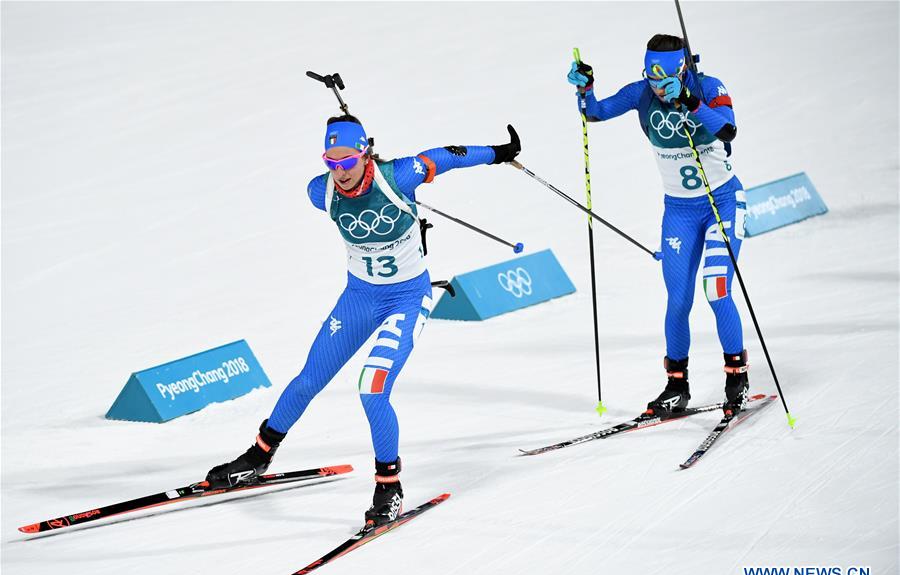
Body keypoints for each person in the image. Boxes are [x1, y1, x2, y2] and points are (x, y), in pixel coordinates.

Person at [205, 114, 521, 527]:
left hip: (405, 300)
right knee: (308, 380)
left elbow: (447, 156)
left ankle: (389, 486)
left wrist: (497, 154)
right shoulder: (320, 192)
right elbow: (339, 180)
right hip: (359, 298)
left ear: (364, 153)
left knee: (372, 389)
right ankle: (257, 456)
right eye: (331, 162)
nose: (340, 172)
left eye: (348, 161)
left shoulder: (399, 176)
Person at [567, 34, 749, 417]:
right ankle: (676, 385)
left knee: (716, 290)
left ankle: (737, 377)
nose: (659, 89)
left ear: (682, 71)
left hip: (722, 203)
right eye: (653, 80)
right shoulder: (641, 94)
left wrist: (690, 101)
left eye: (666, 82)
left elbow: (728, 130)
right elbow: (594, 113)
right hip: (679, 211)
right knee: (678, 299)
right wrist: (586, 89)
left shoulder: (708, 86)